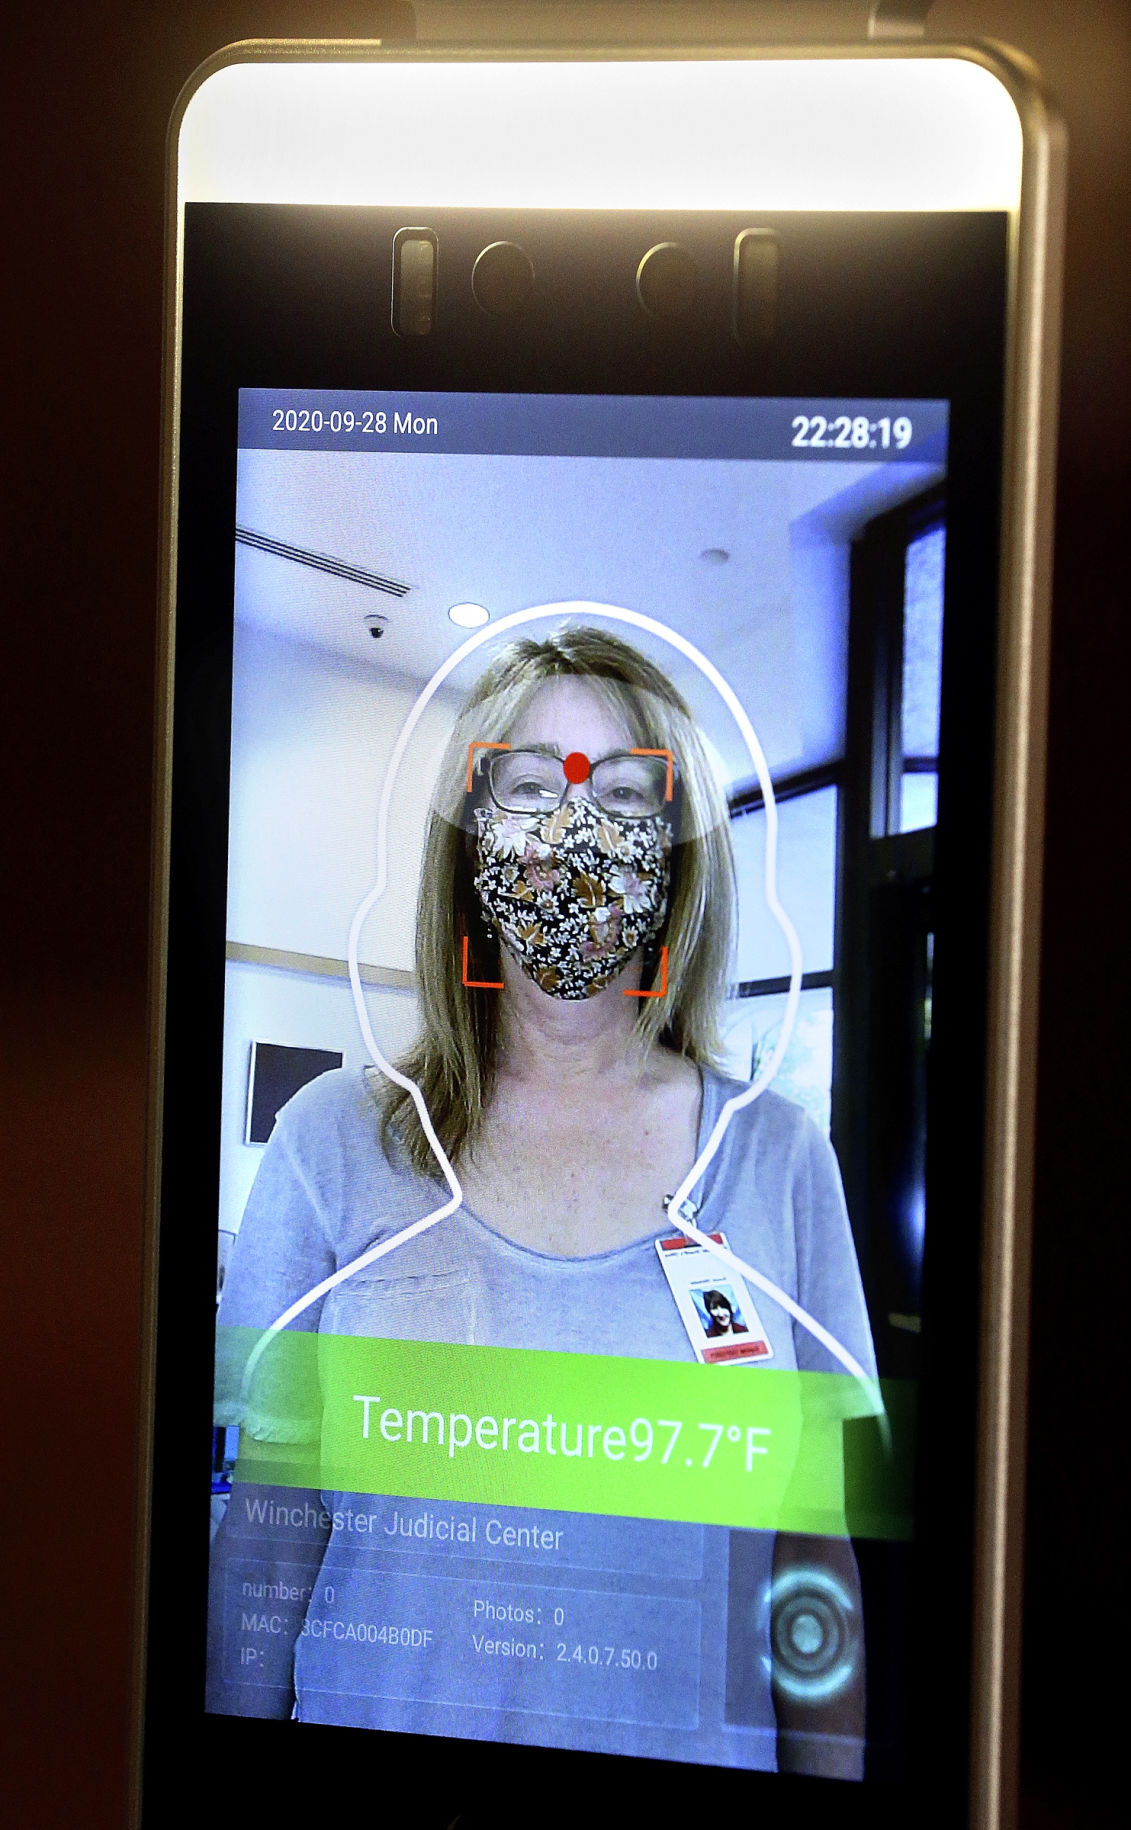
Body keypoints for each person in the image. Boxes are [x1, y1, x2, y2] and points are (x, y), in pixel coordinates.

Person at [212, 626, 875, 1772]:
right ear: (469, 841)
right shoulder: (333, 1143)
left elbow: (811, 1557)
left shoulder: (780, 1162)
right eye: (529, 788)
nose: (574, 835)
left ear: (678, 853)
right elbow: (266, 1548)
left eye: (623, 795)